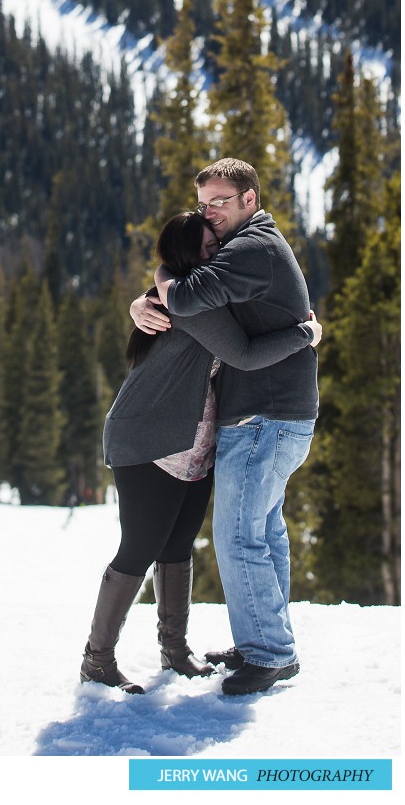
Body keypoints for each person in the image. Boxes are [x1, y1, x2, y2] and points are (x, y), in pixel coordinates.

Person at [86, 211, 320, 694]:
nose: (222, 257)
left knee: (176, 548)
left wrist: (155, 285)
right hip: (147, 438)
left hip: (193, 441)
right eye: (212, 249)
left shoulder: (192, 291)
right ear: (192, 256)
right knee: (140, 547)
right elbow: (245, 355)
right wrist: (306, 334)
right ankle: (97, 659)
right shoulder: (194, 304)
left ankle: (175, 651)